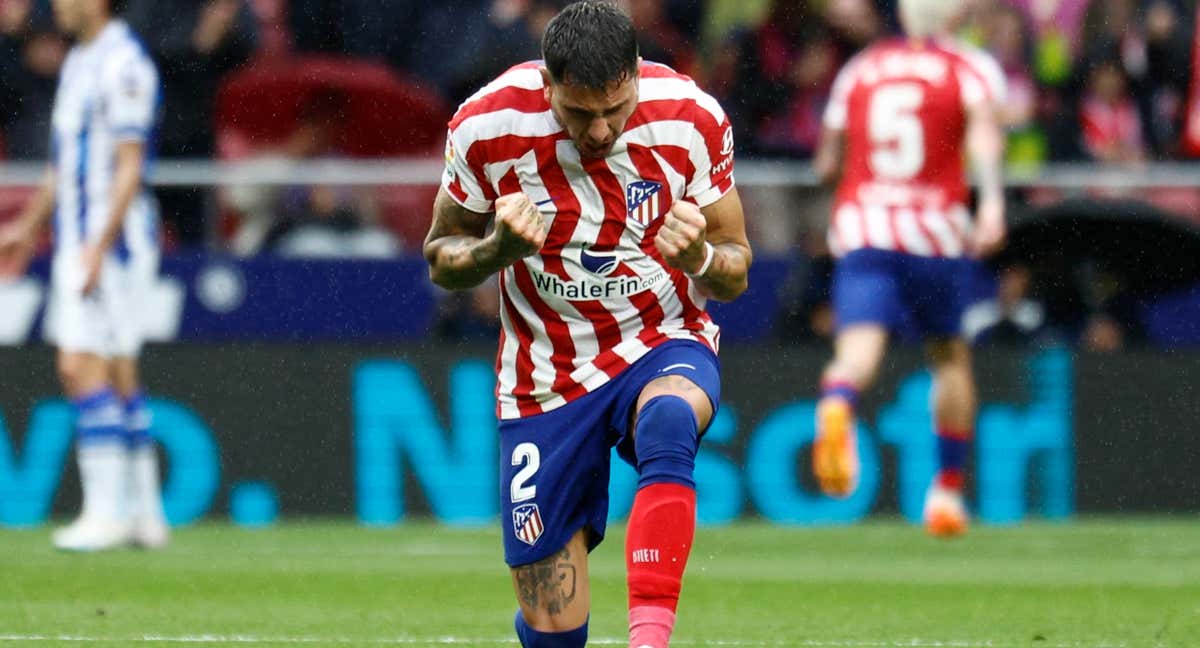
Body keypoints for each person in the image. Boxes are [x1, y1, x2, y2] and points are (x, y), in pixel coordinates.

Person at [423, 2, 751, 646]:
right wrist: (494, 252)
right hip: (544, 372)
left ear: (635, 75)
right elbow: (441, 257)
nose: (601, 131)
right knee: (554, 627)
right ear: (547, 85)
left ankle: (649, 639)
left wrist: (702, 258)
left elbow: (735, 271)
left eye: (616, 109)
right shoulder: (486, 124)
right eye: (579, 114)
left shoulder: (692, 119)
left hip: (659, 338)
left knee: (667, 420)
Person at [810, 0, 1006, 537]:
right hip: (933, 233)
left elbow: (827, 160)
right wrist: (990, 203)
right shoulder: (968, 66)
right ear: (952, 16)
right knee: (948, 357)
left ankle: (838, 400)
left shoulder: (862, 69)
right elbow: (984, 135)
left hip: (865, 229)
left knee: (856, 354)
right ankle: (945, 493)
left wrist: (854, 179)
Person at [0, 0, 167, 551]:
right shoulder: (80, 61)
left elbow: (129, 164)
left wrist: (99, 244)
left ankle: (106, 512)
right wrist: (28, 227)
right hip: (80, 235)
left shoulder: (125, 65)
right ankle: (145, 514)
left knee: (78, 364)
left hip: (109, 241)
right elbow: (62, 163)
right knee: (118, 368)